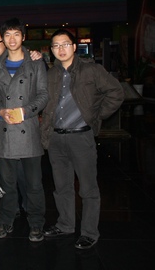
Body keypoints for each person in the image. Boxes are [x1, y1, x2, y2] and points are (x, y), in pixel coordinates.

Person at [41, 29, 124, 250]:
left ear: (74, 47)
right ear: (51, 50)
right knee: (61, 187)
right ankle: (65, 224)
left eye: (65, 44)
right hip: (56, 138)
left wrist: (97, 115)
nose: (61, 49)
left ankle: (89, 232)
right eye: (56, 45)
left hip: (81, 137)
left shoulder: (91, 70)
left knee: (88, 188)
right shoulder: (51, 74)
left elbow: (116, 92)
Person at [0, 18, 49, 242]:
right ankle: (6, 220)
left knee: (34, 184)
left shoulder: (35, 62)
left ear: (23, 37)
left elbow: (43, 95)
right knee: (7, 184)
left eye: (16, 34)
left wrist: (25, 111)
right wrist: (0, 111)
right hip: (5, 131)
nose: (12, 39)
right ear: (3, 39)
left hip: (28, 129)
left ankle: (36, 223)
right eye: (7, 35)